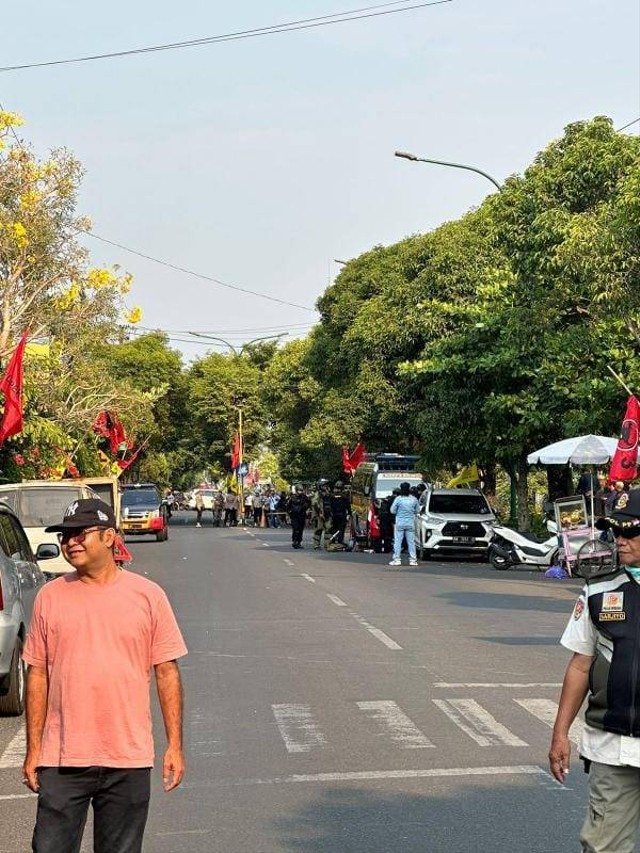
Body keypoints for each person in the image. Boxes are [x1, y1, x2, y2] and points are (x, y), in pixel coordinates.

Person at [22, 498, 187, 853]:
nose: (71, 543)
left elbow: (167, 671)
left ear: (110, 536)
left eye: (81, 534)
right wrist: (33, 749)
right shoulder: (50, 597)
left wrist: (175, 745)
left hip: (127, 757)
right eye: (66, 536)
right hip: (63, 758)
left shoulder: (148, 596)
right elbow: (37, 675)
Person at [549, 488, 640, 852]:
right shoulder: (599, 590)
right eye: (615, 531)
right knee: (602, 847)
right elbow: (580, 662)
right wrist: (560, 733)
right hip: (612, 747)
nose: (620, 540)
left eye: (630, 532)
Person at [389, 481, 419, 567]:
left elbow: (392, 510)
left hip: (400, 523)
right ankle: (413, 560)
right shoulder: (414, 499)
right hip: (410, 523)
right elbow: (417, 510)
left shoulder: (398, 499)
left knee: (398, 541)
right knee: (411, 542)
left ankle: (397, 559)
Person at [327, 481, 350, 551]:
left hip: (334, 515)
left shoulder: (331, 496)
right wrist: (349, 514)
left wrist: (330, 514)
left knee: (334, 528)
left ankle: (333, 541)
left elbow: (329, 506)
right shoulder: (344, 496)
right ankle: (340, 542)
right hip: (342, 515)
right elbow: (348, 506)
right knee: (341, 529)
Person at [311, 481, 331, 550]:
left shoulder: (328, 493)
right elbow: (314, 503)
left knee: (328, 529)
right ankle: (316, 545)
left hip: (328, 514)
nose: (326, 487)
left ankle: (327, 544)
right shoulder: (317, 494)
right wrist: (319, 513)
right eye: (324, 485)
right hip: (319, 515)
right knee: (318, 530)